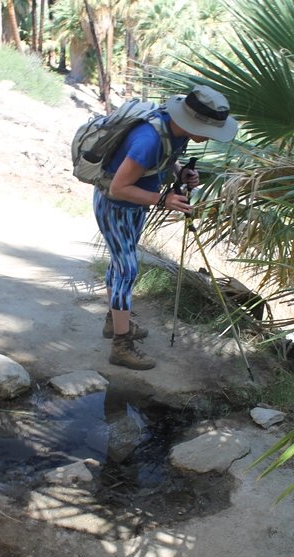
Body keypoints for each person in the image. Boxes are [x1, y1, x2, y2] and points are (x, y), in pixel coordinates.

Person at [94, 85, 239, 370]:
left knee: (120, 265)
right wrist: (163, 199)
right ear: (192, 122)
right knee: (126, 270)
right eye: (209, 130)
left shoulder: (174, 130)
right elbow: (118, 187)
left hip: (134, 207)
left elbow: (167, 158)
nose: (211, 137)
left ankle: (115, 322)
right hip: (115, 206)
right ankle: (121, 346)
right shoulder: (148, 140)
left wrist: (181, 172)